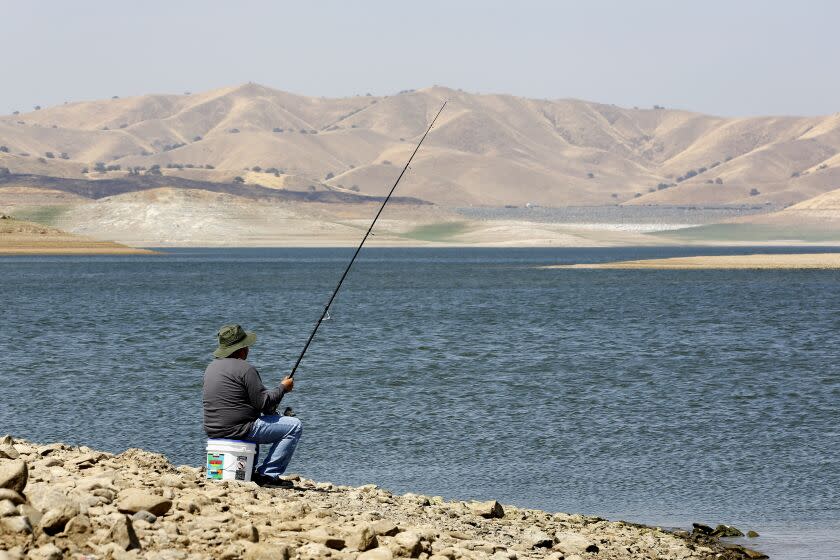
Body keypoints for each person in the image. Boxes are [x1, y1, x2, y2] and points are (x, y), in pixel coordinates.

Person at [203, 324, 302, 486]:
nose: (248, 349)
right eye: (246, 345)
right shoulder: (245, 369)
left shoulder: (211, 368)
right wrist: (283, 388)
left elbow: (242, 403)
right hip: (240, 429)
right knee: (294, 426)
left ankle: (249, 471)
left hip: (214, 430)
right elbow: (263, 403)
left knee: (255, 419)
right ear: (241, 349)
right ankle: (268, 475)